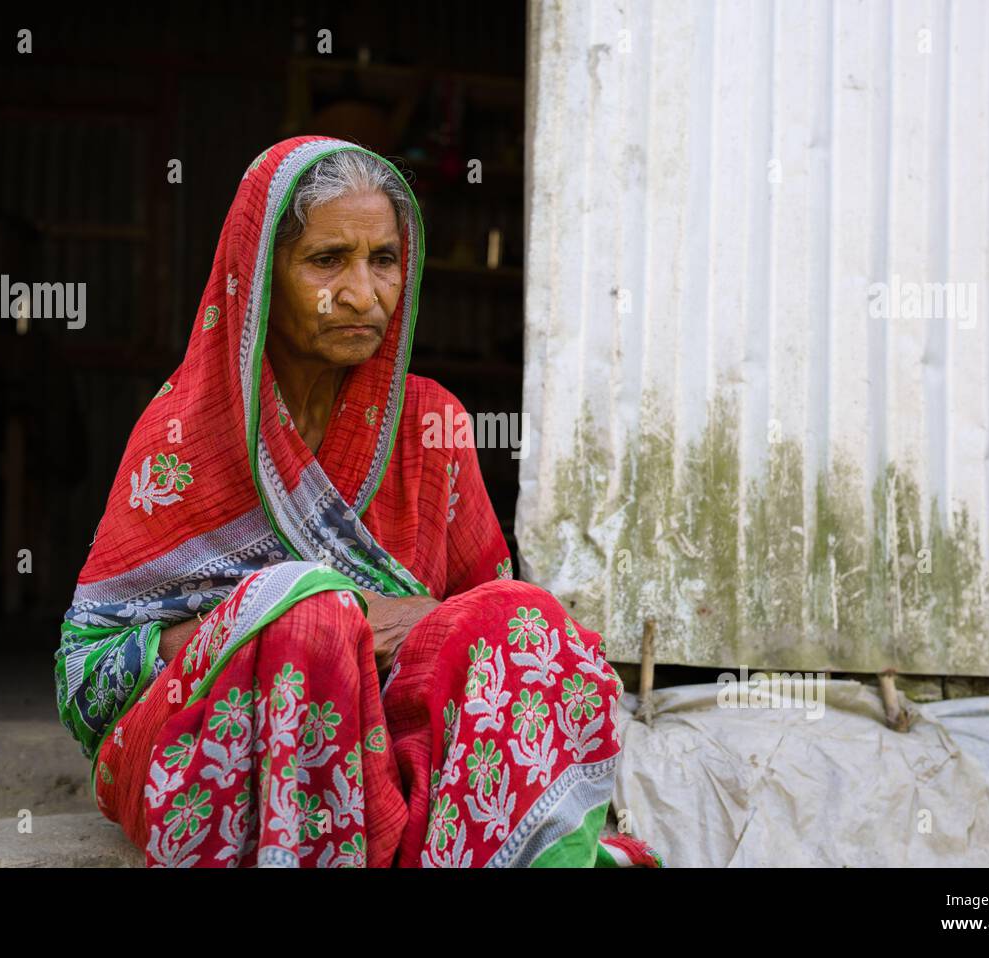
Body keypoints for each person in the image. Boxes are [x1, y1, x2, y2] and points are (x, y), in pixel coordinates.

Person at [54, 135, 661, 868]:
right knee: (307, 615)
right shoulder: (187, 435)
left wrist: (423, 624)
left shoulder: (430, 426)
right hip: (225, 752)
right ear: (260, 278)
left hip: (399, 748)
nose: (362, 294)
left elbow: (488, 631)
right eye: (326, 260)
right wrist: (301, 620)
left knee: (522, 614)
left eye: (384, 261)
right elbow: (87, 675)